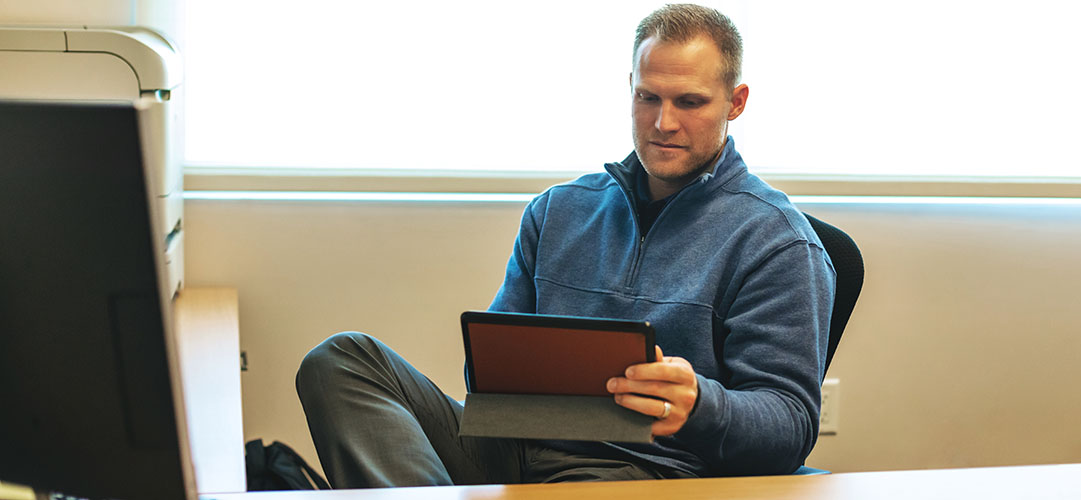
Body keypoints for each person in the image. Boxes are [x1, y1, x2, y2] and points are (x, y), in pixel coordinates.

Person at [296, 3, 835, 487]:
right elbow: (488, 382)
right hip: (516, 453)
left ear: (735, 102)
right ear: (629, 87)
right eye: (647, 97)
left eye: (689, 102)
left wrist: (701, 407)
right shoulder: (559, 210)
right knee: (341, 360)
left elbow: (788, 424)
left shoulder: (778, 243)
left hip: (646, 473)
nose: (662, 122)